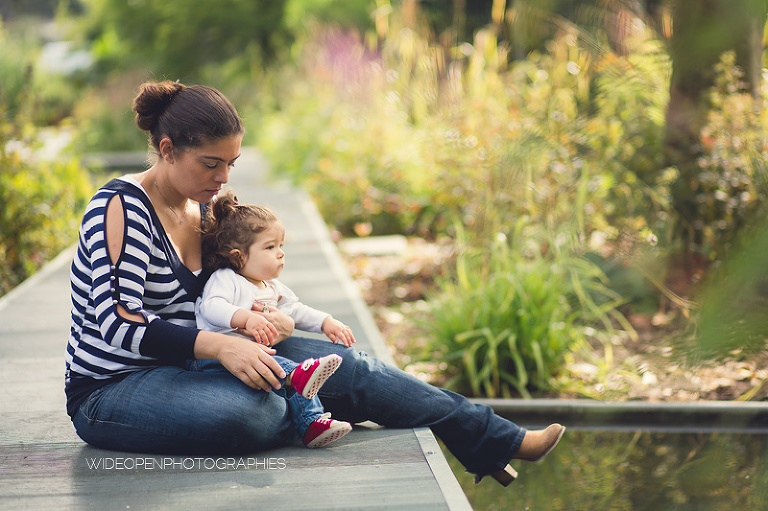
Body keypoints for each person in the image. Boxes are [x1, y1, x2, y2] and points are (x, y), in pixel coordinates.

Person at [65, 79, 564, 485]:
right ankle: (318, 405)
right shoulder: (120, 210)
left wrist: (262, 313)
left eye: (230, 164)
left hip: (198, 364)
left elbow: (233, 282)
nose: (222, 177)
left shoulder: (200, 203)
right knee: (249, 416)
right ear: (168, 150)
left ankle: (495, 438)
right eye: (210, 164)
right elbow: (117, 321)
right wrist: (221, 346)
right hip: (115, 389)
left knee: (354, 367)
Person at [193, 190, 355, 448]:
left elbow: (296, 310)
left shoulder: (271, 287)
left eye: (281, 246)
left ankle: (312, 425)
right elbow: (212, 307)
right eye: (270, 247)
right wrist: (244, 318)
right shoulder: (227, 279)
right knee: (287, 370)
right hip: (218, 360)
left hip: (258, 357)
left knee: (292, 378)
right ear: (238, 256)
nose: (280, 253)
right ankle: (299, 378)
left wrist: (326, 322)